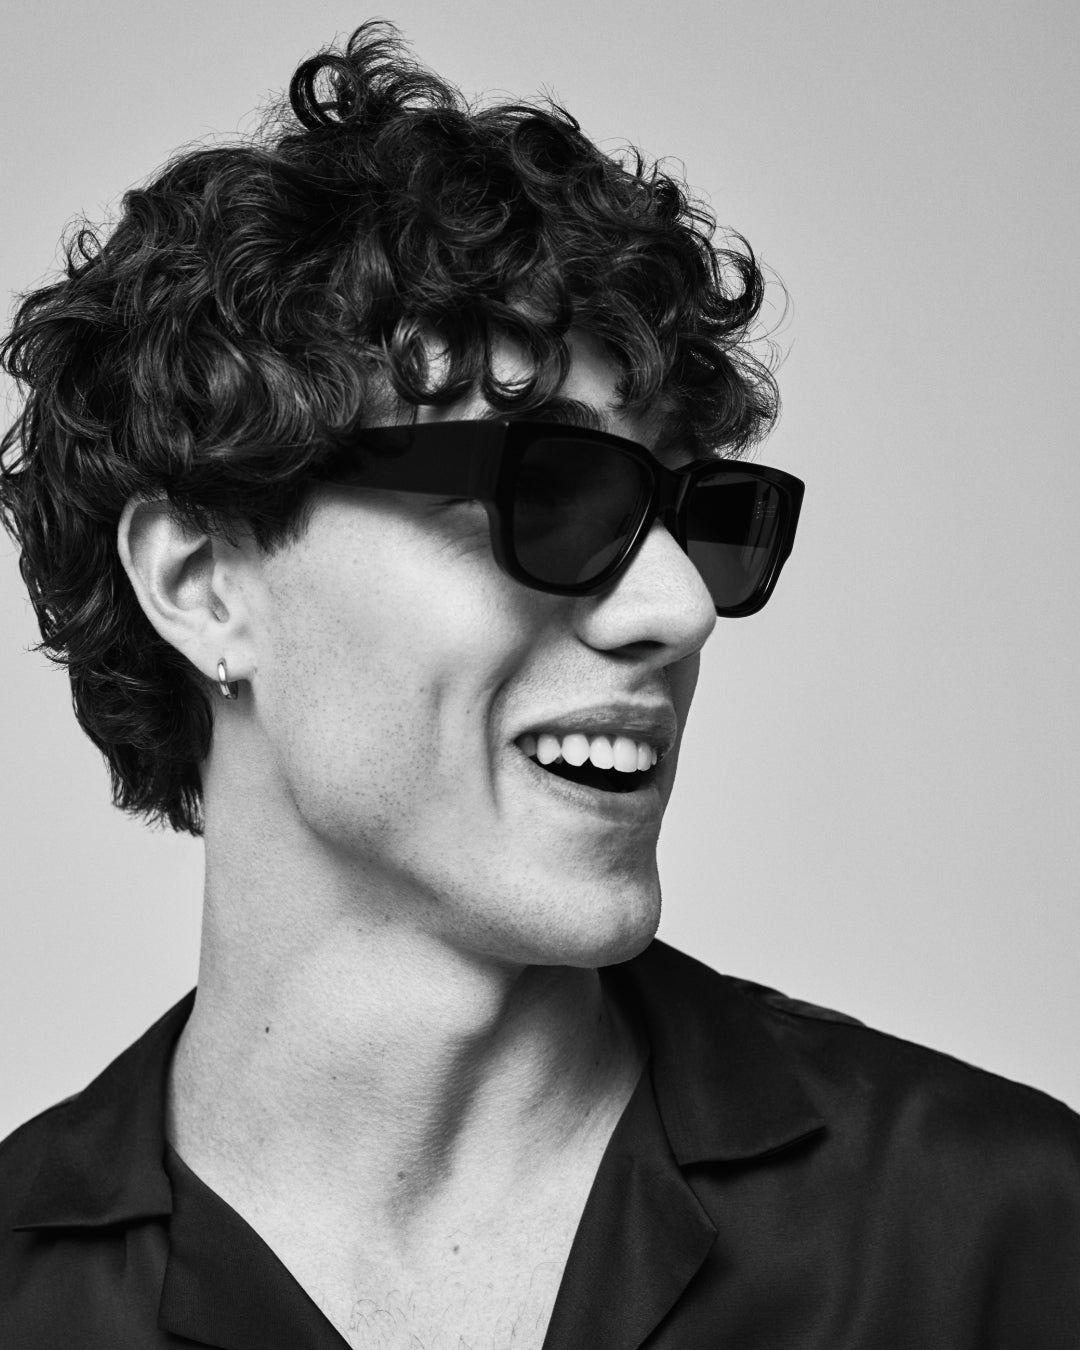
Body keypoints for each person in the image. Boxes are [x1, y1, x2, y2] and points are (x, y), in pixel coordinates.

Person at [1, 21, 1077, 1349]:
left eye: (694, 511)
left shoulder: (994, 1234)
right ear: (204, 583)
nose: (680, 608)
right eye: (546, 492)